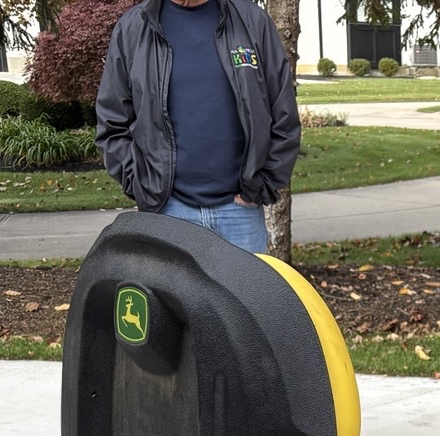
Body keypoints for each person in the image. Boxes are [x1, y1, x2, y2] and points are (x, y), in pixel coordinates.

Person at [95, 0, 300, 253]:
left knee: (247, 292)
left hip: (240, 215)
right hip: (169, 213)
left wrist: (262, 185)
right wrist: (143, 186)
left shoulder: (251, 22)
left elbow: (284, 113)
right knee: (174, 294)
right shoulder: (134, 28)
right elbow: (112, 124)